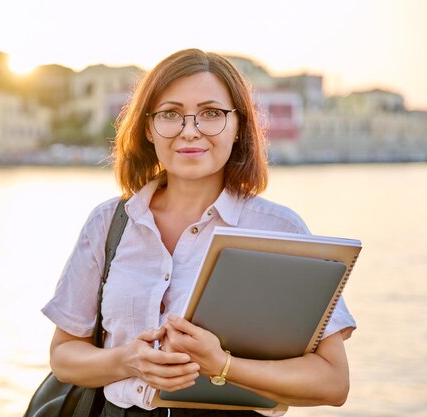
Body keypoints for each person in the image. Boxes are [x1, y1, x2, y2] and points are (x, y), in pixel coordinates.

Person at [41, 49, 356, 417]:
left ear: (239, 126)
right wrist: (127, 360)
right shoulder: (108, 222)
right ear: (148, 127)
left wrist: (222, 365)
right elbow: (63, 356)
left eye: (211, 114)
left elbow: (333, 383)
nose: (189, 131)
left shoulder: (279, 231)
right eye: (171, 114)